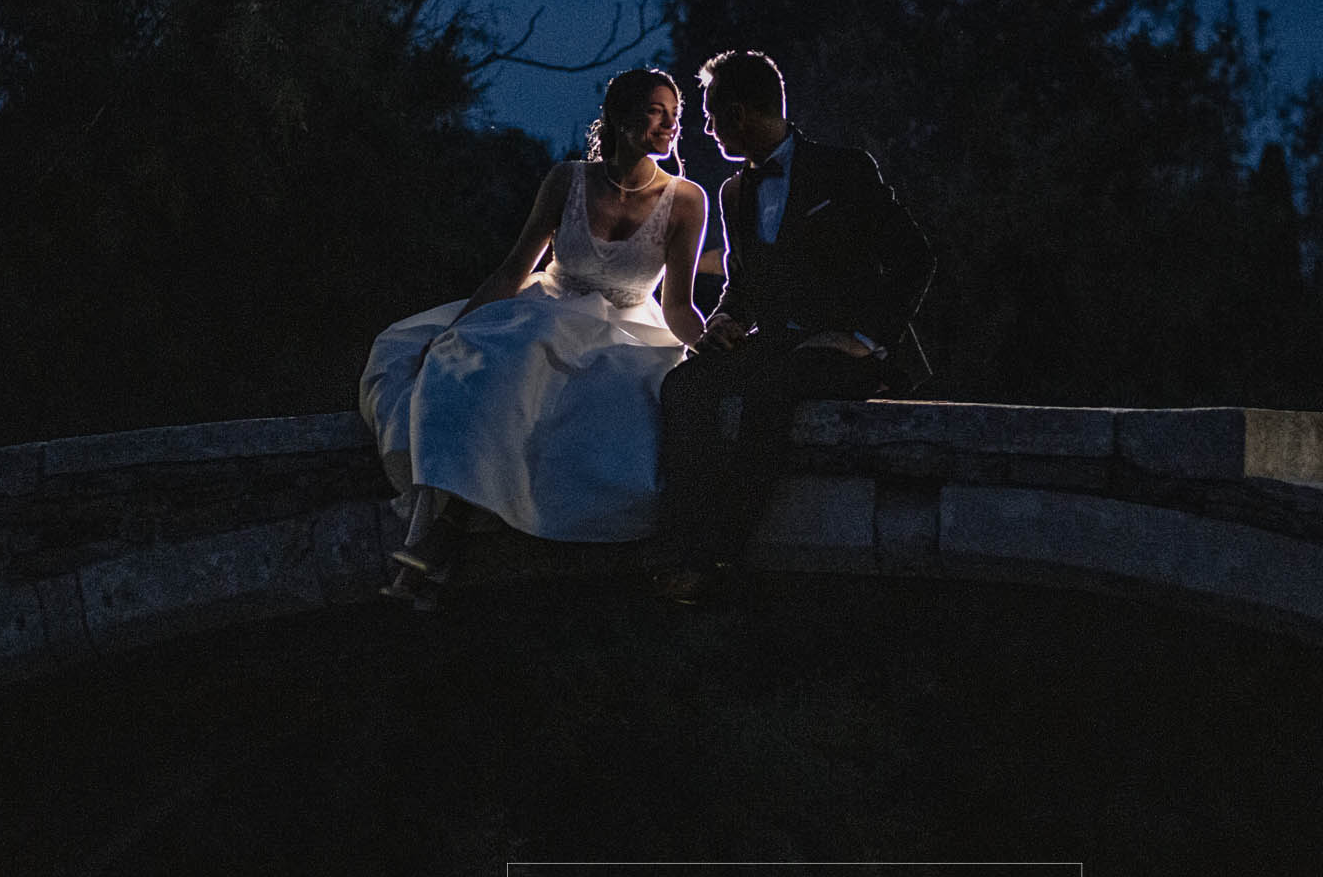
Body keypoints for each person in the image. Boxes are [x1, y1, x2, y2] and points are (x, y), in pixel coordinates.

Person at [359, 67, 708, 607]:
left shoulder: (686, 200)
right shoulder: (568, 180)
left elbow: (679, 305)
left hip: (627, 328)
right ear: (620, 117)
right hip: (548, 308)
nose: (671, 124)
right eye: (657, 112)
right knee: (493, 357)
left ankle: (453, 534)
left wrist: (711, 346)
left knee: (612, 393)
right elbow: (513, 269)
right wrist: (460, 328)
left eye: (675, 114)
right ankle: (442, 525)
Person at [657, 50, 935, 600]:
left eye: (711, 116)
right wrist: (727, 320)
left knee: (770, 392)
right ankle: (681, 542)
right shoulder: (734, 192)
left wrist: (864, 339)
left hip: (852, 351)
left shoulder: (844, 169)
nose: (707, 130)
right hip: (780, 346)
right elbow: (744, 284)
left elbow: (915, 258)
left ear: (738, 112)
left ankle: (718, 559)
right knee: (684, 384)